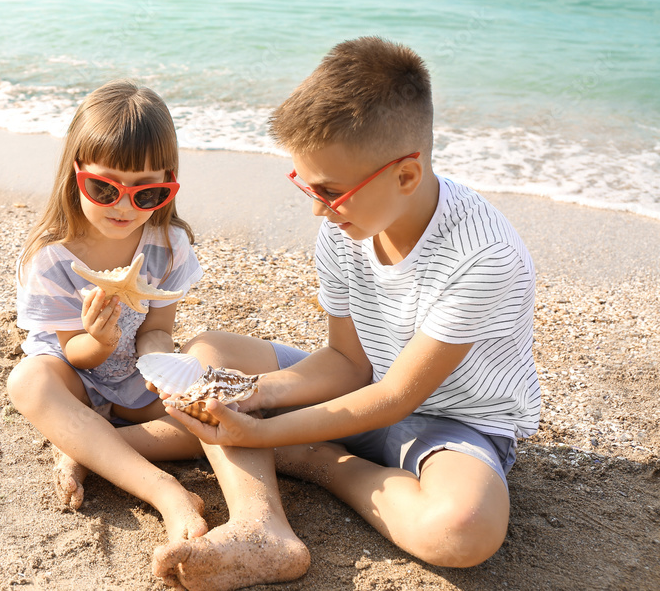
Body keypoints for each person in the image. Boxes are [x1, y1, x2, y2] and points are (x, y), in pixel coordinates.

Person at [164, 36, 541, 569]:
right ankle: (260, 523)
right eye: (307, 187)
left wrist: (268, 430)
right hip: (367, 391)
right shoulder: (348, 222)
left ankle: (315, 461)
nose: (319, 211)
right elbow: (347, 362)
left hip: (455, 423)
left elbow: (396, 399)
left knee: (463, 530)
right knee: (209, 351)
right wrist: (254, 395)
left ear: (405, 174)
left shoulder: (484, 255)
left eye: (329, 192)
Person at [7, 80, 311, 590]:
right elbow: (72, 353)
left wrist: (161, 368)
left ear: (170, 185)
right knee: (29, 383)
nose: (123, 206)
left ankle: (85, 447)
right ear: (74, 174)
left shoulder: (166, 246)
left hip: (133, 375)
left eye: (146, 192)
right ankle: (166, 492)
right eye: (104, 189)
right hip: (75, 371)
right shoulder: (52, 256)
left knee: (205, 408)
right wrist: (98, 341)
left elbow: (157, 330)